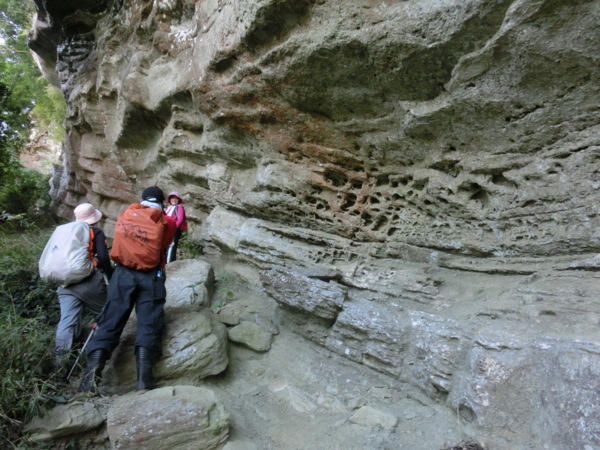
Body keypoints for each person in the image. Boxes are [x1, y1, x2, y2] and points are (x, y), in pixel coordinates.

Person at [79, 186, 176, 393]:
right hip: (151, 276)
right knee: (149, 322)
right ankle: (144, 381)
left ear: (142, 200)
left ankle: (89, 383)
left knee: (110, 321)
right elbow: (165, 244)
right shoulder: (168, 222)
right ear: (162, 203)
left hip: (123, 273)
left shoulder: (127, 214)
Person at [54, 203, 113, 376]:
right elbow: (103, 258)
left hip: (65, 282)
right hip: (88, 282)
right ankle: (101, 358)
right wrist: (112, 276)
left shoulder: (65, 231)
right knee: (106, 316)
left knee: (67, 322)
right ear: (93, 217)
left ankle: (60, 365)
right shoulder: (95, 232)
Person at [164, 191, 187, 263]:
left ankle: (169, 262)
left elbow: (180, 219)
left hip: (174, 229)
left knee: (171, 245)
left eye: (176, 198)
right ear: (170, 199)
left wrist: (174, 227)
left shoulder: (179, 208)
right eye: (172, 198)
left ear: (178, 200)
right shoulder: (169, 208)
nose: (174, 200)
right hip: (167, 229)